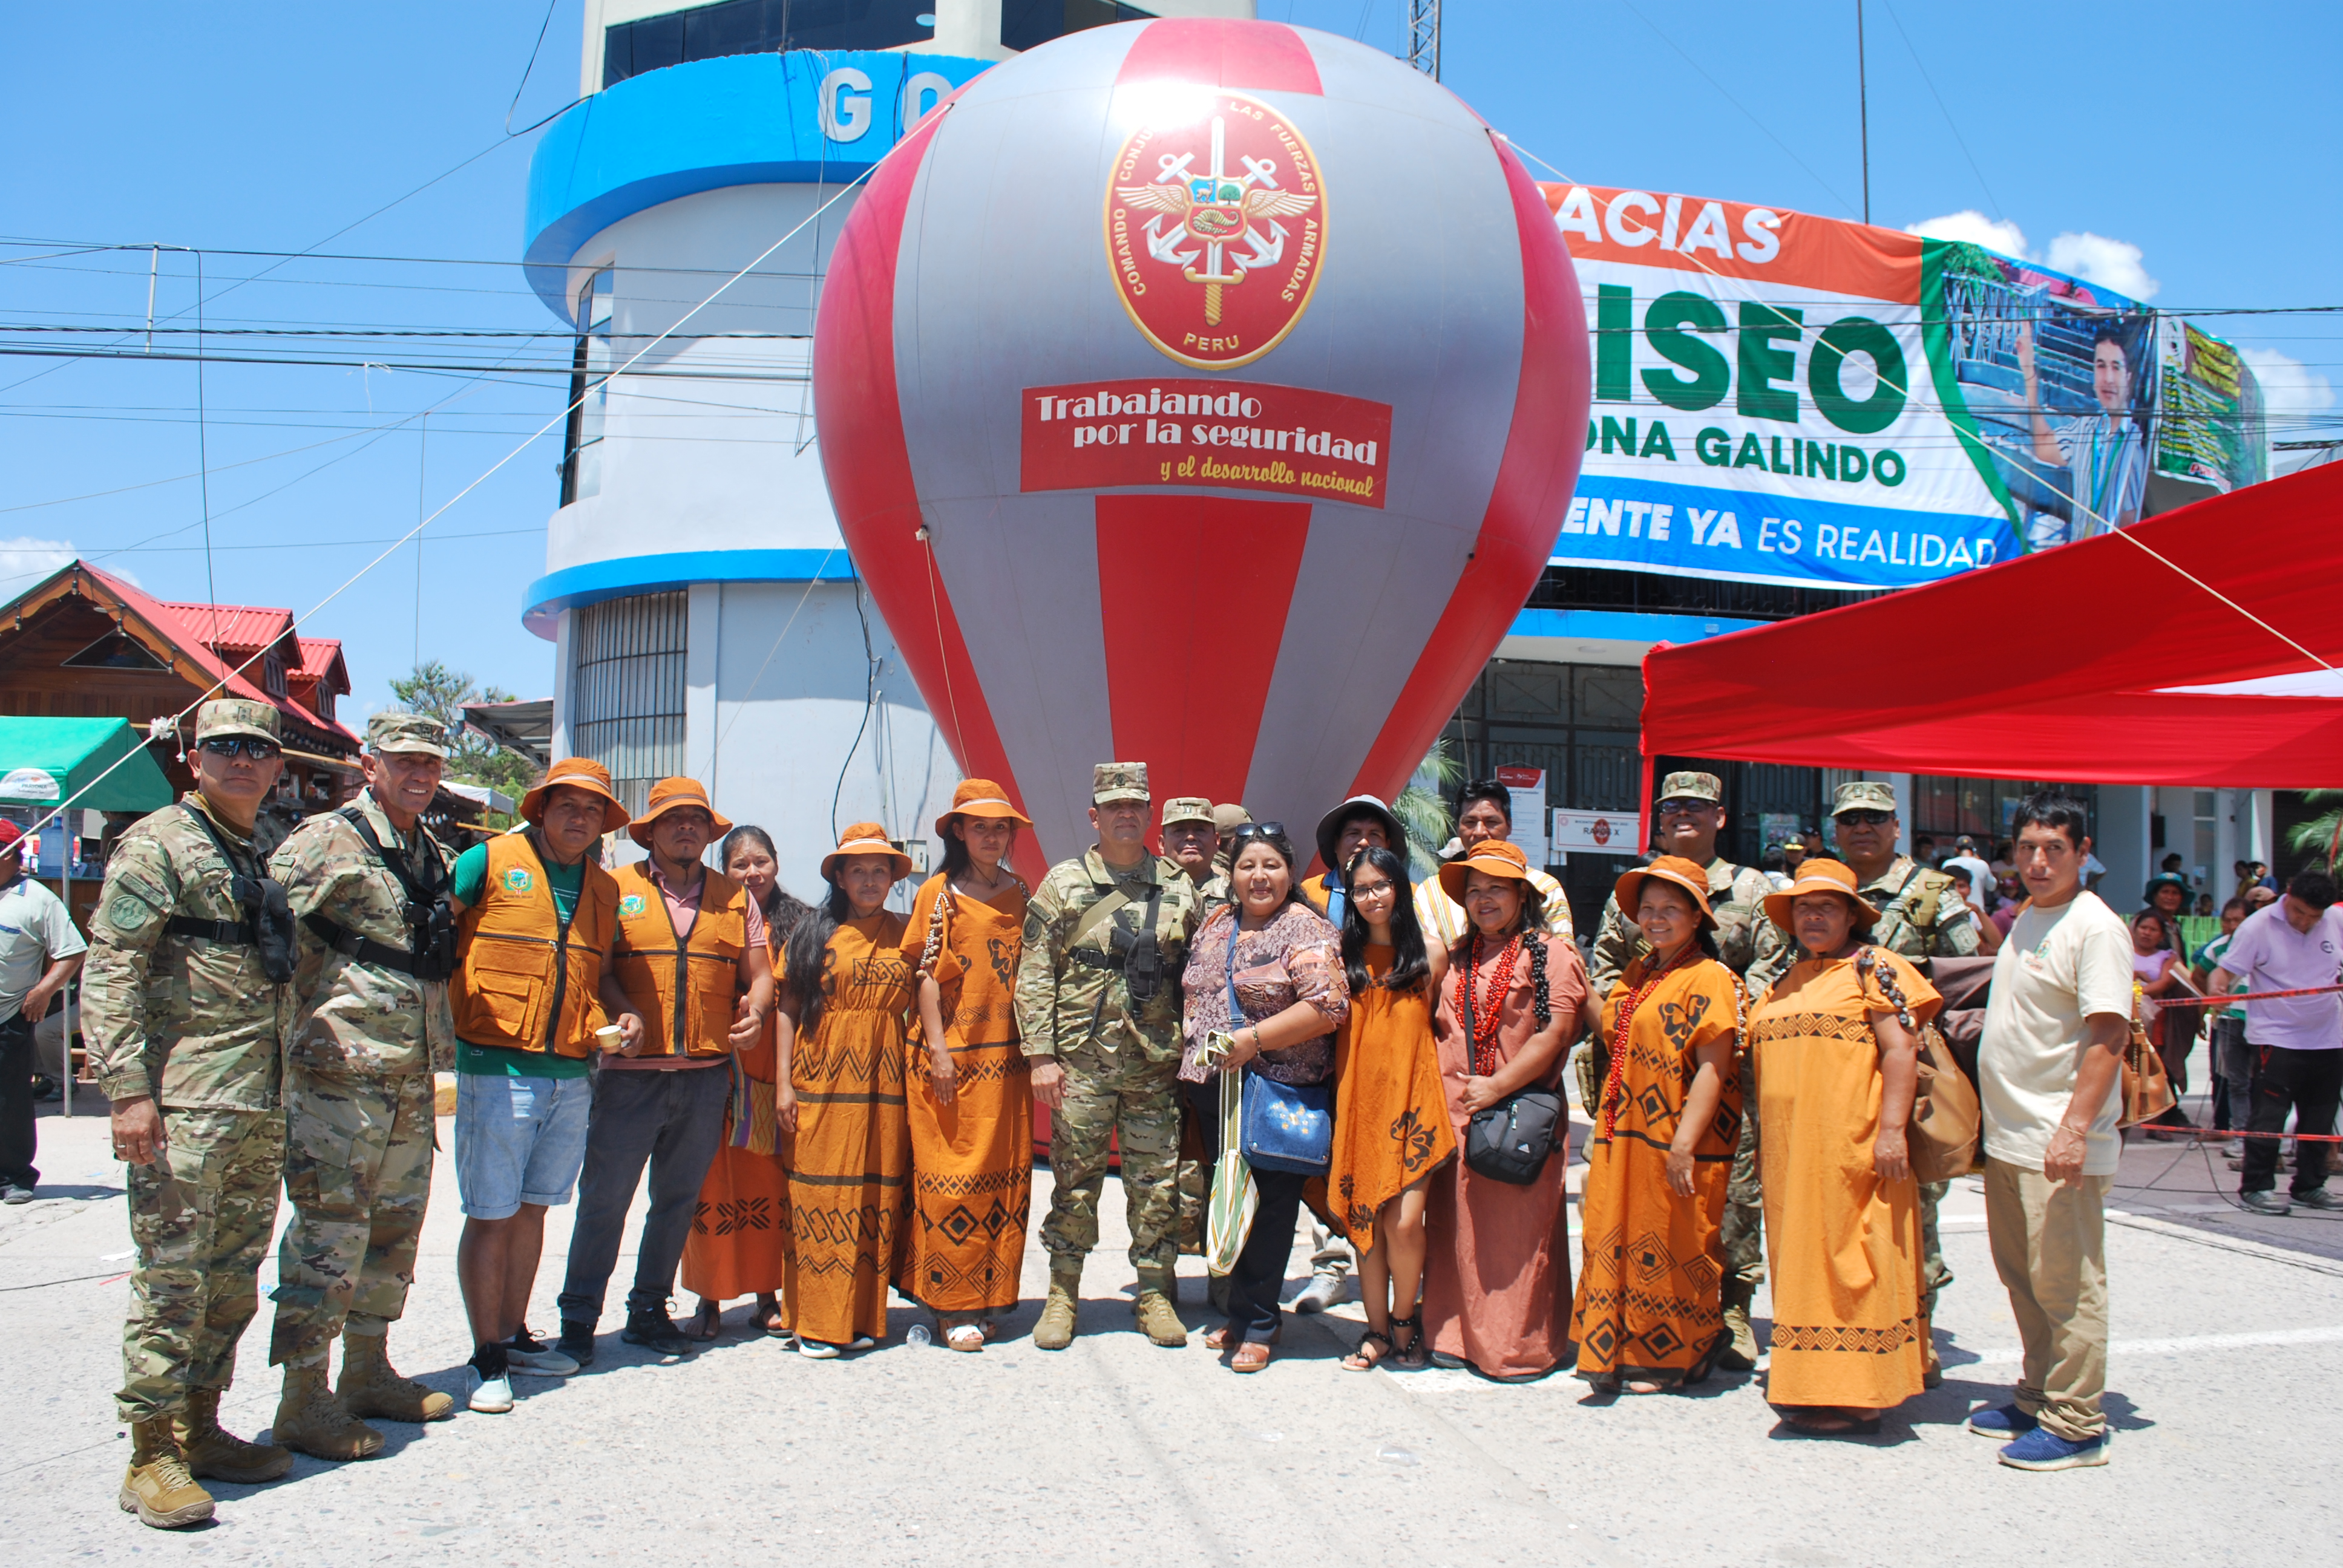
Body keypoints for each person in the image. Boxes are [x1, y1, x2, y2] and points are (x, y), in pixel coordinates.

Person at [85, 699, 296, 1528]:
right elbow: (113, 973)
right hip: (184, 1103)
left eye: (258, 750)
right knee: (172, 1283)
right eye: (225, 749)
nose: (242, 762)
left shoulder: (260, 849)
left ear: (278, 766)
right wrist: (129, 1093)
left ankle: (201, 1427)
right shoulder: (159, 844)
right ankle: (150, 1454)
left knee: (232, 1278)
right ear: (193, 758)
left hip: (256, 1099)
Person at [264, 711, 460, 1460]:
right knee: (329, 1233)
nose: (419, 775)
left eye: (430, 765)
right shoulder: (323, 841)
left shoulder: (428, 850)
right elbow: (275, 950)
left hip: (407, 1074)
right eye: (404, 761)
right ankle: (303, 1398)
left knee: (393, 1228)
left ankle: (368, 1369)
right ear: (371, 763)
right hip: (337, 1072)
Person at [557, 778, 773, 1363]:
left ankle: (649, 1310)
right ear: (648, 831)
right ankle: (578, 1317)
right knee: (605, 1200)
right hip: (631, 1077)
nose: (686, 829)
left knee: (677, 1201)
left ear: (709, 832)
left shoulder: (736, 897)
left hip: (705, 1077)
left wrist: (754, 1012)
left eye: (696, 820)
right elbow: (595, 971)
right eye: (673, 820)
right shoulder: (613, 888)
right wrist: (621, 1011)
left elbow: (759, 976)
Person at [446, 757, 626, 1414]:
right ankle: (484, 1356)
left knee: (533, 1207)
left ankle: (515, 1334)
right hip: (497, 1068)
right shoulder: (484, 862)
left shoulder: (603, 891)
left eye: (592, 810)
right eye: (567, 806)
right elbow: (432, 934)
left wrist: (619, 1014)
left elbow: (599, 975)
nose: (579, 819)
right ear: (541, 809)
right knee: (490, 1212)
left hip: (572, 1071)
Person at [1587, 771, 1783, 1371]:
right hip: (1640, 1074)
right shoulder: (1636, 890)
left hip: (1722, 1071)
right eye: (1671, 807)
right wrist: (1636, 1021)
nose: (1682, 817)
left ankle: (1730, 1310)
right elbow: (1605, 972)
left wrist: (1692, 1020)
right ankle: (1644, 1317)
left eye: (1696, 807)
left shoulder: (1750, 889)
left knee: (1729, 1197)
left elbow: (1767, 976)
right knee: (1649, 1206)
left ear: (1720, 817)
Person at [1747, 859, 1937, 1435]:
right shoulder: (1785, 976)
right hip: (1791, 1157)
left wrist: (1890, 1132)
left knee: (1856, 1263)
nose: (1813, 916)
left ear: (1853, 914)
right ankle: (1810, 1386)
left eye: (1827, 906)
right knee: (1803, 1267)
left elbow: (1901, 1052)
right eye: (1803, 907)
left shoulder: (1874, 969)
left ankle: (1861, 1395)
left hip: (1853, 1147)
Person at [1014, 763, 1200, 1351]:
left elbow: (1196, 971)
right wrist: (1040, 1055)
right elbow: (1035, 972)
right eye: (1114, 806)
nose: (1126, 814)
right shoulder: (1063, 884)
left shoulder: (1177, 887)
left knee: (1155, 1182)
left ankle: (1153, 1292)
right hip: (1081, 1064)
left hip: (1153, 1063)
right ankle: (1063, 1292)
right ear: (1094, 817)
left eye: (1136, 805)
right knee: (1073, 1182)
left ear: (1149, 816)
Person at [1971, 791, 2130, 1471]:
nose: (2037, 862)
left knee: (2066, 1283)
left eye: (2054, 849)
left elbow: (2107, 1035)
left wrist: (2072, 1130)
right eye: (2027, 848)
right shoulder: (2031, 917)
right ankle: (2038, 1392)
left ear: (2081, 853)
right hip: (2010, 1138)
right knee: (2024, 1279)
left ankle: (2076, 1423)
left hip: (2055, 1142)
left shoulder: (2093, 927)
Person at [1178, 820, 1349, 1370]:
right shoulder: (1217, 922)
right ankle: (1238, 1311)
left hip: (1277, 1090)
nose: (1259, 877)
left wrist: (1251, 1041)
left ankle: (1260, 1323)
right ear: (1231, 874)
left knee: (1272, 1207)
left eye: (1271, 865)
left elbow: (1328, 1006)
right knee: (1233, 1198)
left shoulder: (1306, 929)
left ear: (1290, 872)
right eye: (1247, 865)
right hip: (1217, 1092)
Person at [1824, 779, 1981, 1378]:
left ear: (1895, 826)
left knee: (1914, 1204)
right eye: (1850, 820)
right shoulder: (1820, 887)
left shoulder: (1931, 895)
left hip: (1906, 1074)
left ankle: (1919, 1328)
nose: (1861, 829)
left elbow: (1966, 979)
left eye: (1874, 818)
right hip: (1833, 1076)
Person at [1573, 854, 1742, 1394]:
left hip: (1674, 1138)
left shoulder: (1710, 977)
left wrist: (1684, 1145)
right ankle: (1624, 1346)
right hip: (1626, 1135)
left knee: (1676, 1242)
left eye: (1672, 908)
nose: (1657, 918)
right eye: (1648, 909)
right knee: (1616, 1234)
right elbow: (1616, 1036)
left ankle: (1676, 1355)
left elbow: (1716, 1068)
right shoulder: (1641, 971)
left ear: (1699, 917)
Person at [1423, 837, 1586, 1380]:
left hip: (1519, 1112)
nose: (1484, 899)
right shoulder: (1456, 954)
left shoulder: (1553, 954)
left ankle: (1517, 1348)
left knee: (1519, 1235)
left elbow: (1557, 1030)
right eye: (1475, 890)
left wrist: (1496, 1087)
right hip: (1456, 1115)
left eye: (1497, 889)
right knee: (1456, 1227)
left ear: (1522, 894)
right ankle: (1452, 1335)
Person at [899, 782, 1035, 1350]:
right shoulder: (940, 892)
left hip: (1008, 1061)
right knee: (950, 1176)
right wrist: (938, 1049)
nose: (991, 835)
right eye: (979, 826)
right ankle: (951, 1308)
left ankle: (990, 1292)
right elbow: (926, 975)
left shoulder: (1021, 891)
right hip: (951, 1058)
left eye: (1000, 827)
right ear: (959, 831)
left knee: (1005, 1175)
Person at [776, 823, 916, 1356]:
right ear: (838, 876)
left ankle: (859, 1318)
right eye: (857, 869)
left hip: (885, 1085)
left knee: (873, 1198)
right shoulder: (814, 932)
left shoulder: (906, 932)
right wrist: (784, 1085)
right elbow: (788, 1011)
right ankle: (815, 1323)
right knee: (820, 1196)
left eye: (880, 870)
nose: (869, 879)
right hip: (821, 1079)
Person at [680, 825, 813, 1343]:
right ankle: (708, 1299)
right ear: (724, 869)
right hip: (714, 1074)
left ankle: (767, 1297)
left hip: (771, 1076)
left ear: (777, 863)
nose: (752, 872)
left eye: (761, 861)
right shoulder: (709, 915)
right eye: (740, 864)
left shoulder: (801, 923)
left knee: (768, 1188)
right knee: (707, 1185)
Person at [1325, 844, 1453, 1370]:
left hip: (1412, 1104)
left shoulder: (1431, 954)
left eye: (1381, 885)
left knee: (1403, 1224)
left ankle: (1405, 1320)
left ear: (1399, 887)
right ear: (1349, 897)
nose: (1372, 896)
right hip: (1358, 1104)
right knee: (1366, 1222)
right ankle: (1376, 1331)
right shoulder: (1341, 958)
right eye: (1360, 889)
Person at [1293, 793, 1409, 1313]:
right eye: (1351, 833)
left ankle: (1397, 1268)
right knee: (1322, 1159)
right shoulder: (1309, 894)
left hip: (1378, 1052)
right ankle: (1332, 1264)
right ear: (1335, 846)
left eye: (1374, 834)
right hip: (1315, 1051)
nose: (1362, 841)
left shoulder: (1407, 899)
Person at [2217, 869, 2343, 1216]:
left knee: (2320, 1115)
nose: (2305, 921)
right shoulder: (2257, 927)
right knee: (2270, 1115)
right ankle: (2255, 1187)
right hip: (2277, 1034)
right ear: (2287, 894)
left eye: (2314, 916)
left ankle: (2310, 1185)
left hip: (2329, 1034)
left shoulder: (2336, 920)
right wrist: (2217, 989)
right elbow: (2225, 972)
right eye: (2300, 911)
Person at [0, 817, 86, 1204]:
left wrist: (43, 991)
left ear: (10, 855)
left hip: (9, 1016)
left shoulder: (36, 899)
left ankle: (14, 1175)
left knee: (10, 1099)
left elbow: (72, 951)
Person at [1155, 797, 1219, 1267]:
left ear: (1217, 840)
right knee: (1161, 1163)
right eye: (1180, 831)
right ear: (1162, 841)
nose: (1190, 838)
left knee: (1218, 1157)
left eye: (1200, 830)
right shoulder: (1144, 891)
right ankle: (1164, 1271)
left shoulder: (1237, 892)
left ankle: (1222, 1273)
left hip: (1216, 1053)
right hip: (1155, 1046)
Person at [2018, 319, 2146, 539]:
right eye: (2101, 366)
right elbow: (2043, 446)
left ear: (2129, 377)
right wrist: (2029, 372)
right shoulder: (2086, 429)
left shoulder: (2136, 446)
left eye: (2116, 367)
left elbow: (2131, 523)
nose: (2107, 379)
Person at [1416, 779, 1573, 950]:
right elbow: (1423, 959)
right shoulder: (1431, 892)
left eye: (1491, 822)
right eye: (1470, 822)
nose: (1480, 832)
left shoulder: (1545, 888)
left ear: (1509, 826)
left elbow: (1565, 958)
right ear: (1458, 828)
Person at [2193, 898, 2252, 1142]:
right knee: (2234, 1080)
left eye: (2238, 920)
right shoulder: (2217, 948)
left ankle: (2262, 1138)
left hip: (2261, 1020)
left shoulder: (2262, 943)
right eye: (2227, 920)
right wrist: (2210, 1003)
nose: (2232, 925)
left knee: (2262, 1082)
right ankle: (2240, 1135)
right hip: (2229, 1020)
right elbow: (2199, 975)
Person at [1945, 836, 1994, 917]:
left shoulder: (1948, 864)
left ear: (1957, 849)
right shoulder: (1982, 864)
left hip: (1954, 913)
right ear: (1973, 850)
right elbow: (1992, 887)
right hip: (1978, 915)